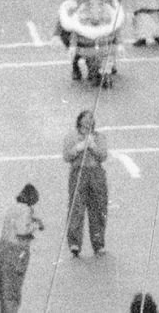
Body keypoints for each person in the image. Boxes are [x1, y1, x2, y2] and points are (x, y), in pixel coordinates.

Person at [61, 108, 108, 257]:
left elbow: (103, 155)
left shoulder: (99, 137)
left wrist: (93, 146)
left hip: (95, 173)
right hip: (78, 172)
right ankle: (74, 243)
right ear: (80, 121)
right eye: (86, 118)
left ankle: (98, 243)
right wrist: (78, 148)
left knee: (98, 209)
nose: (89, 121)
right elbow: (66, 156)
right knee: (76, 208)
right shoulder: (72, 136)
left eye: (91, 118)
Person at [0, 184, 42, 313]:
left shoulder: (13, 208)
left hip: (3, 250)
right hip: (16, 252)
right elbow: (22, 231)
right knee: (14, 290)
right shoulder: (26, 210)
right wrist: (35, 225)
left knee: (5, 290)